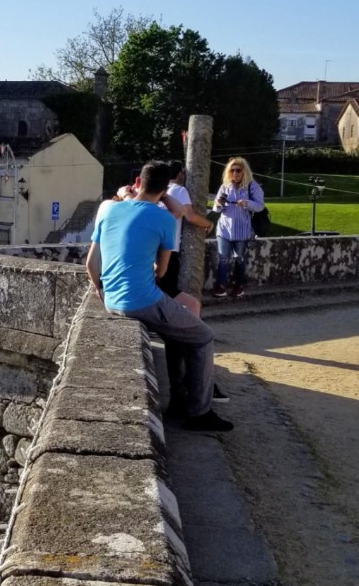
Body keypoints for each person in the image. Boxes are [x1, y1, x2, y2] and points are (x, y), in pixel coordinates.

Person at [86, 160, 233, 432]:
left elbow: (91, 265)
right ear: (165, 188)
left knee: (177, 332)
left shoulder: (110, 211)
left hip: (111, 300)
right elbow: (161, 271)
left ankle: (179, 400)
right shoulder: (165, 219)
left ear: (138, 182)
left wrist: (100, 290)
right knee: (202, 336)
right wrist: (164, 195)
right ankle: (199, 413)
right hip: (143, 300)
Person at [157, 160, 216, 310]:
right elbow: (190, 216)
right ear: (180, 174)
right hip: (170, 248)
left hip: (152, 246)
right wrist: (208, 224)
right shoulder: (179, 190)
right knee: (168, 290)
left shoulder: (158, 190)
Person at [211, 157, 264, 299]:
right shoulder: (225, 186)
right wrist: (219, 204)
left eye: (238, 170)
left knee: (239, 259)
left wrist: (246, 203)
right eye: (232, 170)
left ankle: (238, 286)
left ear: (244, 171)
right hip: (224, 230)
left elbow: (260, 206)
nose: (235, 173)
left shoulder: (252, 186)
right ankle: (221, 286)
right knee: (223, 258)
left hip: (242, 231)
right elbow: (216, 209)